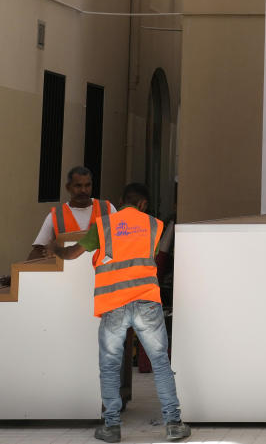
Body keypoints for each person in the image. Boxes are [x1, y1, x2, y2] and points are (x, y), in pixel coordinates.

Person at [50, 182, 191, 443]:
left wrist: (54, 248)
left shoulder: (103, 224)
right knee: (160, 362)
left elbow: (73, 253)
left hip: (113, 302)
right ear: (143, 204)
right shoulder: (154, 225)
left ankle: (112, 427)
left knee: (110, 364)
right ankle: (173, 424)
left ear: (122, 200)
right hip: (146, 301)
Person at [28, 166, 116, 260]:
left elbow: (123, 239)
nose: (83, 190)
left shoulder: (107, 208)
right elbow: (39, 250)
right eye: (78, 186)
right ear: (68, 187)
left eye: (87, 185)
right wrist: (21, 272)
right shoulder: (57, 215)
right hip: (68, 273)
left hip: (100, 272)